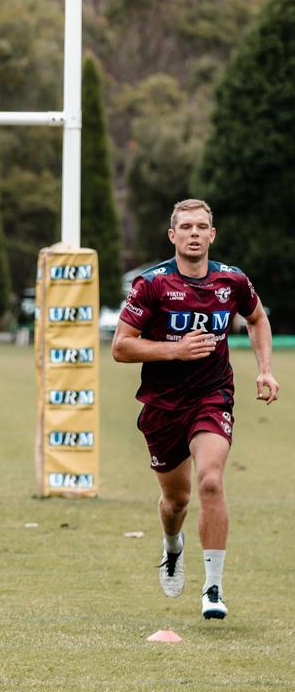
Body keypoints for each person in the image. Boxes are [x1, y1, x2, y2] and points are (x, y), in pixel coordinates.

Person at [112, 198, 279, 620]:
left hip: (213, 395)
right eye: (185, 226)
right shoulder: (150, 285)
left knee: (210, 481)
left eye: (201, 226)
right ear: (172, 235)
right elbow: (121, 347)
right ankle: (172, 546)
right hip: (163, 403)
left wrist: (265, 370)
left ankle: (213, 587)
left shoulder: (232, 280)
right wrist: (175, 350)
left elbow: (257, 319)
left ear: (212, 234)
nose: (193, 233)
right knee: (177, 500)